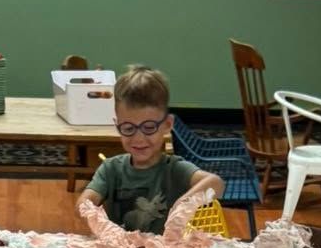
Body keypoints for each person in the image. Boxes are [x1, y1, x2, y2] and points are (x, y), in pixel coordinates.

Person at [80, 65, 222, 235]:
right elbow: (84, 204)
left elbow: (216, 183)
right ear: (117, 125)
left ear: (167, 125)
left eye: (149, 127)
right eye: (128, 128)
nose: (139, 138)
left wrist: (183, 205)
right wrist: (99, 222)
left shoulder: (175, 169)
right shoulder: (110, 169)